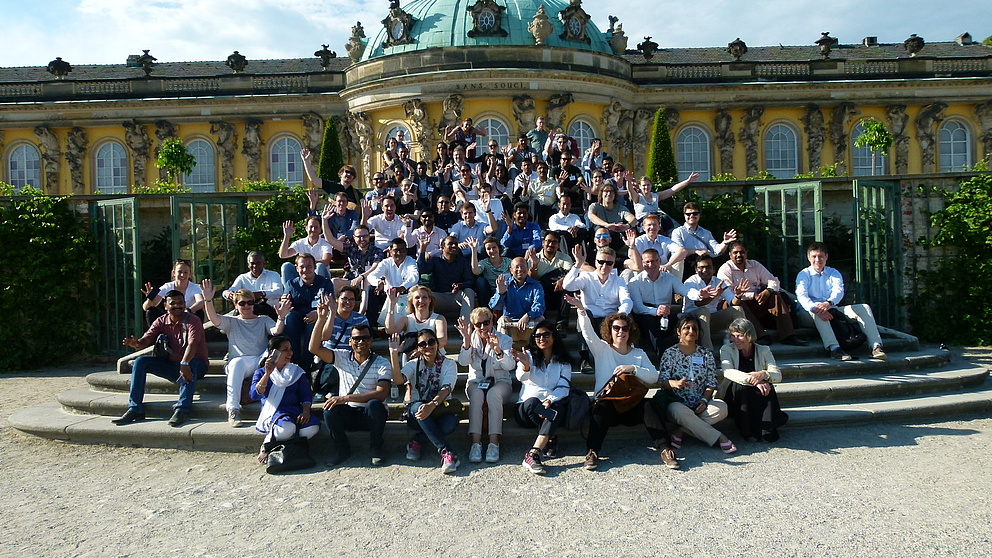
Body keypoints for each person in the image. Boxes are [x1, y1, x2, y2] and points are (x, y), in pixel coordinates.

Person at [565, 294, 676, 471]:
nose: (620, 332)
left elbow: (654, 377)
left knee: (648, 406)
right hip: (609, 405)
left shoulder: (638, 354)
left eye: (625, 329)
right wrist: (580, 309)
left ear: (630, 331)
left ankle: (666, 449)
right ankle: (592, 452)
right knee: (600, 409)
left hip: (631, 405)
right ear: (610, 331)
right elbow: (587, 333)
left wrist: (633, 368)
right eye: (616, 328)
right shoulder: (602, 349)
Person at [310, 302, 391, 466]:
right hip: (348, 412)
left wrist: (345, 397)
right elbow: (314, 348)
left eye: (365, 338)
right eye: (356, 338)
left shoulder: (382, 362)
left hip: (371, 415)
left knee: (375, 404)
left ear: (372, 341)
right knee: (330, 408)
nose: (361, 342)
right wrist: (320, 319)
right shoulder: (341, 357)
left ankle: (376, 447)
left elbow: (382, 394)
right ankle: (342, 449)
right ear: (350, 341)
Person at [115, 290, 208, 428]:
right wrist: (137, 344)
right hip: (172, 365)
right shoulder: (161, 321)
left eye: (180, 303)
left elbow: (192, 343)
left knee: (192, 363)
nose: (177, 306)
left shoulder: (193, 320)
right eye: (173, 303)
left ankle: (182, 410)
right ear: (165, 306)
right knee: (140, 362)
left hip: (196, 364)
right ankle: (135, 408)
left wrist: (185, 362)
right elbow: (147, 338)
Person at [201, 280, 289, 427]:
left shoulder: (263, 320)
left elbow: (276, 331)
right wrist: (208, 300)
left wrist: (281, 317)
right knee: (237, 364)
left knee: (269, 357)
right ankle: (233, 409)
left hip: (259, 360)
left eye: (250, 303)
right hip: (239, 361)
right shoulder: (231, 321)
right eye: (242, 303)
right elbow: (214, 318)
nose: (247, 306)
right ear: (236, 305)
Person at [657, 315, 737, 455]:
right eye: (686, 328)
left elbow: (711, 382)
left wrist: (705, 400)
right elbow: (663, 381)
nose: (691, 331)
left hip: (700, 404)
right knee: (679, 410)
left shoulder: (705, 354)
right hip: (677, 402)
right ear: (678, 332)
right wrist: (674, 384)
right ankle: (719, 437)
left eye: (694, 328)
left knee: (722, 407)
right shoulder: (670, 353)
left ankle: (681, 431)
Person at [795, 242, 888, 361]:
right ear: (808, 258)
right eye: (814, 256)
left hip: (831, 307)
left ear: (826, 257)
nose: (817, 260)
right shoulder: (804, 274)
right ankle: (835, 349)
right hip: (807, 312)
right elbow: (802, 295)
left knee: (864, 307)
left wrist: (828, 303)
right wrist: (815, 307)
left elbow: (838, 292)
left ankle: (876, 347)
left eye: (821, 256)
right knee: (819, 313)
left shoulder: (833, 273)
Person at [389, 329, 462, 474]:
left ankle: (417, 441)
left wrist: (432, 405)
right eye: (422, 344)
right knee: (419, 408)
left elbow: (446, 389)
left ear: (437, 343)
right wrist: (393, 354)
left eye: (431, 342)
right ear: (418, 347)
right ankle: (447, 452)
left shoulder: (449, 364)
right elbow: (398, 380)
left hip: (439, 409)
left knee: (450, 424)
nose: (428, 346)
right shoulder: (413, 364)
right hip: (416, 412)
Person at [510, 321, 573, 475]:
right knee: (533, 402)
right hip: (526, 411)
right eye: (538, 336)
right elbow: (521, 378)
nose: (541, 338)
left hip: (550, 407)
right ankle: (550, 438)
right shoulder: (528, 356)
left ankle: (533, 453)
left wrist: (549, 400)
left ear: (554, 336)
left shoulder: (563, 362)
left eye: (546, 334)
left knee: (555, 408)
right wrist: (525, 366)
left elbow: (564, 388)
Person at [629, 248, 712, 362]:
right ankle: (665, 359)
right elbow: (638, 307)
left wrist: (699, 294)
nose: (650, 264)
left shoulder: (669, 278)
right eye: (647, 262)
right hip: (646, 314)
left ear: (659, 261)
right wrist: (655, 311)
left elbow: (685, 291)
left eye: (654, 261)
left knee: (687, 322)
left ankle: (697, 356)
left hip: (665, 316)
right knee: (648, 321)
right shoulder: (635, 282)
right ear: (642, 263)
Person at [718, 241, 808, 346]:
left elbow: (773, 280)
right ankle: (759, 335)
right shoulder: (725, 270)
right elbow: (729, 294)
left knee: (775, 295)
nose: (739, 255)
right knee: (738, 303)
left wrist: (768, 291)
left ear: (746, 253)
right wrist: (752, 295)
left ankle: (788, 335)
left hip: (756, 302)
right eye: (735, 252)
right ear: (730, 254)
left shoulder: (755, 265)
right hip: (733, 304)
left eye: (742, 252)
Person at [455, 308, 515, 463]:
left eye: (486, 323)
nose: (482, 328)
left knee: (493, 394)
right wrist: (466, 342)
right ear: (474, 325)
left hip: (500, 382)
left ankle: (494, 444)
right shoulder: (470, 337)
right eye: (478, 324)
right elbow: (463, 362)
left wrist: (497, 350)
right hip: (476, 382)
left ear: (492, 321)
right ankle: (476, 443)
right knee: (477, 395)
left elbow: (510, 366)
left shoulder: (504, 339)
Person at [250, 336, 320, 463]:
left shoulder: (296, 371)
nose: (290, 353)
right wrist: (268, 374)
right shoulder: (261, 373)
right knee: (287, 428)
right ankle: (268, 445)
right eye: (285, 349)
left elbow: (305, 395)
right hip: (275, 412)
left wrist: (305, 411)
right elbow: (254, 395)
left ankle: (282, 445)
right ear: (273, 353)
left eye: (291, 349)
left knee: (312, 428)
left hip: (295, 410)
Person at [719, 318, 789, 442]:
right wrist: (753, 379)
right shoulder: (727, 349)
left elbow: (777, 374)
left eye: (739, 336)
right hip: (733, 390)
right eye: (733, 336)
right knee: (743, 387)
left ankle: (767, 430)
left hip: (755, 389)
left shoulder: (764, 350)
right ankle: (747, 431)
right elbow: (728, 372)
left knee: (768, 387)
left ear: (749, 335)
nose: (735, 340)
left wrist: (764, 375)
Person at [561, 245, 632, 335]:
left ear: (613, 264)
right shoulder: (586, 277)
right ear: (595, 262)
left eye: (609, 263)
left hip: (610, 319)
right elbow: (567, 286)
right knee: (583, 319)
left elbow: (627, 301)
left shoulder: (618, 280)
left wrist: (619, 315)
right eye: (601, 262)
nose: (604, 266)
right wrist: (578, 264)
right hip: (590, 316)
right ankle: (584, 349)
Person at [281, 253, 334, 370]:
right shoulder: (291, 284)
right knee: (290, 317)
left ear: (315, 267)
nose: (305, 270)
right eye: (302, 267)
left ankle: (307, 364)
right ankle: (293, 361)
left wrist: (318, 312)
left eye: (309, 266)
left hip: (318, 316)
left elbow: (330, 304)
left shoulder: (325, 283)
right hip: (297, 316)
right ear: (297, 268)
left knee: (313, 324)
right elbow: (287, 305)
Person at [682, 254, 744, 354]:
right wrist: (715, 295)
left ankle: (743, 347)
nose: (705, 270)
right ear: (696, 269)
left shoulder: (718, 282)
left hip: (711, 319)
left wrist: (738, 296)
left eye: (708, 267)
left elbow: (732, 302)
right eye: (701, 267)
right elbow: (698, 304)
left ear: (714, 269)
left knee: (737, 309)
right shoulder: (690, 282)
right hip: (692, 319)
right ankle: (708, 354)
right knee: (704, 311)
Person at [667, 201, 737, 280]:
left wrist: (725, 242)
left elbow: (717, 250)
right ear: (684, 215)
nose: (692, 216)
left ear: (699, 215)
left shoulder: (706, 233)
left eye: (695, 213)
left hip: (706, 260)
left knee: (724, 259)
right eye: (688, 214)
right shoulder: (678, 232)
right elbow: (679, 252)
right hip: (689, 262)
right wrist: (697, 251)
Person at [417, 235, 478, 322]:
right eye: (450, 244)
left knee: (469, 292)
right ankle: (428, 328)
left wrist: (461, 285)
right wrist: (423, 249)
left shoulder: (463, 262)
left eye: (456, 244)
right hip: (438, 298)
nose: (454, 246)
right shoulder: (435, 260)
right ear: (442, 247)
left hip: (456, 298)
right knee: (425, 294)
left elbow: (470, 281)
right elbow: (422, 269)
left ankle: (465, 327)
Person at [491, 257, 546, 346]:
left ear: (527, 268)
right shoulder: (505, 284)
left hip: (529, 325)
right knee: (502, 320)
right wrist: (500, 293)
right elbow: (494, 307)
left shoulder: (536, 286)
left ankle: (538, 354)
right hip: (510, 326)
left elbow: (539, 306)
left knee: (541, 319)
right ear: (511, 270)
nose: (520, 269)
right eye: (516, 267)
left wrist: (528, 316)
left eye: (522, 266)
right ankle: (503, 355)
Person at [365, 237, 421, 325]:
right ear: (390, 251)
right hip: (388, 295)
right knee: (371, 289)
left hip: (406, 294)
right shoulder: (385, 263)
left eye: (402, 250)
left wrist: (401, 288)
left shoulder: (411, 261)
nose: (399, 253)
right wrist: (379, 282)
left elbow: (414, 276)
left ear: (406, 251)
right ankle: (372, 326)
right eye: (396, 250)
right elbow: (372, 276)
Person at [526, 231, 574, 331]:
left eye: (554, 242)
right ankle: (542, 323)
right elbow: (531, 280)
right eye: (548, 241)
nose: (551, 244)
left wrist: (562, 280)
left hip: (558, 294)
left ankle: (561, 325)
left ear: (558, 245)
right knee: (537, 286)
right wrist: (534, 265)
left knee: (568, 286)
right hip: (542, 295)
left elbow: (571, 274)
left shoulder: (565, 258)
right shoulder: (534, 258)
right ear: (543, 243)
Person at [627, 173, 698, 234]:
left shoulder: (655, 196)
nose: (646, 187)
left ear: (651, 185)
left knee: (665, 217)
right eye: (644, 185)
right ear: (640, 186)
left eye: (648, 185)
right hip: (643, 223)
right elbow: (630, 190)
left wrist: (688, 181)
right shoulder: (638, 197)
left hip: (656, 221)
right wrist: (628, 181)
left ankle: (672, 235)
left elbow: (672, 190)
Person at [141, 259, 205, 326]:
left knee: (199, 312)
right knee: (151, 311)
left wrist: (188, 311)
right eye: (179, 272)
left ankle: (195, 335)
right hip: (170, 320)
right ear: (174, 273)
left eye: (186, 272)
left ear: (190, 274)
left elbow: (201, 302)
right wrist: (150, 298)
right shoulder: (167, 286)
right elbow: (146, 307)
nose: (182, 275)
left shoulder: (195, 287)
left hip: (187, 320)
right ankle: (156, 335)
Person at [385, 285, 449, 351]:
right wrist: (391, 305)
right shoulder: (406, 319)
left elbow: (442, 341)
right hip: (411, 357)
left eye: (424, 297)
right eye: (417, 298)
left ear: (430, 300)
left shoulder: (439, 319)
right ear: (411, 301)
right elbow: (390, 330)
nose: (421, 301)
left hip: (434, 356)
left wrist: (421, 351)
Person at [222, 251, 283, 320]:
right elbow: (231, 290)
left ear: (264, 264)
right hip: (246, 312)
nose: (255, 266)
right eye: (252, 263)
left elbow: (279, 292)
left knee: (253, 308)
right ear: (248, 265)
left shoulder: (273, 275)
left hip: (269, 312)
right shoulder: (242, 278)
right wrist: (228, 294)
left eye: (258, 263)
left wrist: (262, 294)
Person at [278, 217, 332, 285]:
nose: (313, 229)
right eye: (311, 227)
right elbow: (283, 255)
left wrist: (307, 265)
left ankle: (320, 292)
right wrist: (287, 236)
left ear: (320, 229)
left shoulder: (326, 243)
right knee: (286, 266)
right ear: (306, 228)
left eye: (316, 227)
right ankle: (288, 292)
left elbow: (326, 261)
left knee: (319, 266)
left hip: (320, 277)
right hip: (302, 276)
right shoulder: (300, 243)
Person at [587, 182, 636, 251]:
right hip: (600, 238)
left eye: (611, 191)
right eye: (606, 191)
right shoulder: (595, 206)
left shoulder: (620, 208)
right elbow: (591, 216)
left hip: (616, 237)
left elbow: (633, 219)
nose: (609, 193)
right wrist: (607, 225)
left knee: (632, 230)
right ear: (601, 194)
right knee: (601, 230)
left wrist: (627, 226)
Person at [473, 236, 512, 307]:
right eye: (488, 249)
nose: (492, 251)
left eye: (494, 247)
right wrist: (474, 250)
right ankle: (485, 309)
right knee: (480, 281)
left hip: (507, 291)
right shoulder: (484, 263)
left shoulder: (508, 261)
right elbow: (476, 271)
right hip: (490, 292)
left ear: (499, 248)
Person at [520, 160, 557, 227]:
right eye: (540, 168)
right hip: (536, 208)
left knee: (558, 204)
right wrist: (525, 187)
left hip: (550, 208)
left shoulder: (554, 183)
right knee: (533, 202)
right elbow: (524, 199)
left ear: (547, 170)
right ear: (536, 171)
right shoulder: (532, 183)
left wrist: (560, 186)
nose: (542, 170)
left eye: (544, 168)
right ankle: (537, 227)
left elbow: (560, 196)